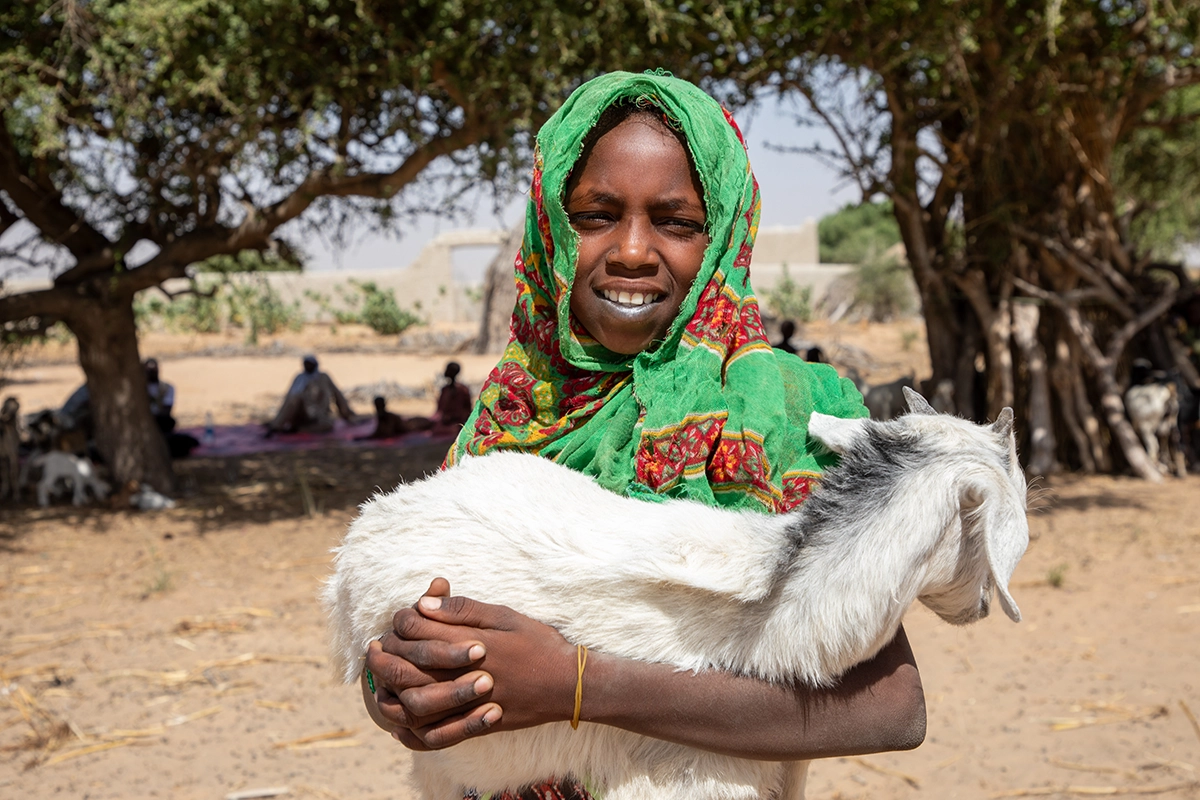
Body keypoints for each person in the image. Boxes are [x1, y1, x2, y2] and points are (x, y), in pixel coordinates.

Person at [363, 71, 925, 798]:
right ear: (551, 229)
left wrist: (578, 688)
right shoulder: (509, 413)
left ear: (724, 233)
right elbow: (421, 641)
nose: (631, 250)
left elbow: (890, 707)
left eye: (677, 221)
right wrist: (400, 690)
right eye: (596, 214)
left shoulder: (795, 419)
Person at [266, 354, 356, 435]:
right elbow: (288, 401)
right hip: (301, 414)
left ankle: (297, 430)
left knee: (327, 425)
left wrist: (346, 414)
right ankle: (277, 426)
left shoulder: (324, 378)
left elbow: (338, 396)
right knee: (295, 399)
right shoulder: (299, 378)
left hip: (319, 417)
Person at [144, 358, 176, 433]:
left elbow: (167, 408)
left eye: (154, 370)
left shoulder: (167, 387)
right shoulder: (140, 388)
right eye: (149, 371)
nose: (152, 373)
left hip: (160, 420)